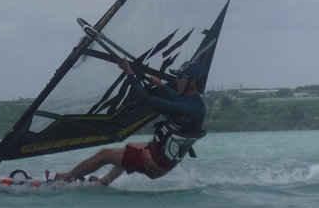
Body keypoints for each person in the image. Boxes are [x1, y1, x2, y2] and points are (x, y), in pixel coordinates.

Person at [46, 58, 207, 186]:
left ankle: (65, 178)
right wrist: (160, 86)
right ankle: (105, 181)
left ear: (192, 82)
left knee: (104, 154)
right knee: (129, 149)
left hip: (154, 161)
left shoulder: (186, 108)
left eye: (180, 77)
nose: (176, 80)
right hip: (163, 159)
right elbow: (179, 98)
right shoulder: (197, 105)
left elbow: (146, 98)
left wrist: (129, 73)